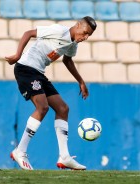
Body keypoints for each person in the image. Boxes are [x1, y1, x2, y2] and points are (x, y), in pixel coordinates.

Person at [5, 16, 97, 170]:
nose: (86, 37)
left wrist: (81, 81)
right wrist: (17, 55)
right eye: (85, 32)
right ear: (78, 25)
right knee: (42, 107)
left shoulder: (73, 44)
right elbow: (29, 33)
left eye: (89, 36)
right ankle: (19, 151)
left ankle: (64, 156)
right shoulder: (58, 30)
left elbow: (67, 61)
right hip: (25, 68)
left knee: (63, 109)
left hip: (38, 72)